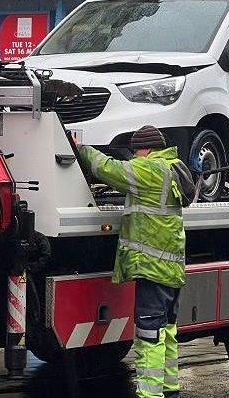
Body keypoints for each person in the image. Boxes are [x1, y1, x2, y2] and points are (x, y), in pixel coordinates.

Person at [75, 125, 195, 398]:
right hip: (170, 269)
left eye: (136, 151)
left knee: (149, 336)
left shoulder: (150, 170)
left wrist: (80, 148)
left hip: (152, 269)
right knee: (166, 334)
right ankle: (169, 389)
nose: (134, 156)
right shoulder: (172, 168)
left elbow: (108, 169)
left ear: (147, 149)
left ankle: (150, 394)